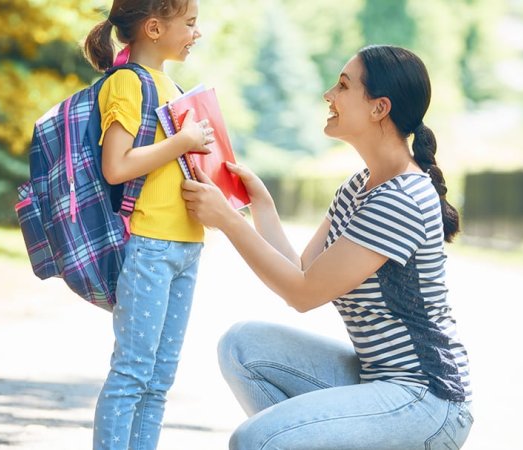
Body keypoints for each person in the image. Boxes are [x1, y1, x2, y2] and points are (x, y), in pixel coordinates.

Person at [182, 45, 474, 450]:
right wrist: (259, 206)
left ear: (379, 108)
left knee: (257, 440)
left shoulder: (402, 198)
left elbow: (303, 294)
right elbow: (302, 270)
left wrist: (227, 221)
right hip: (378, 380)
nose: (328, 95)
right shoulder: (360, 187)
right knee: (242, 346)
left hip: (427, 401)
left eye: (342, 86)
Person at [82, 1, 214, 449]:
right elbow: (116, 166)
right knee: (133, 372)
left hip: (186, 246)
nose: (198, 33)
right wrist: (183, 141)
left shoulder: (172, 85)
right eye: (191, 23)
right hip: (149, 246)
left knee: (159, 379)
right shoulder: (127, 83)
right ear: (154, 28)